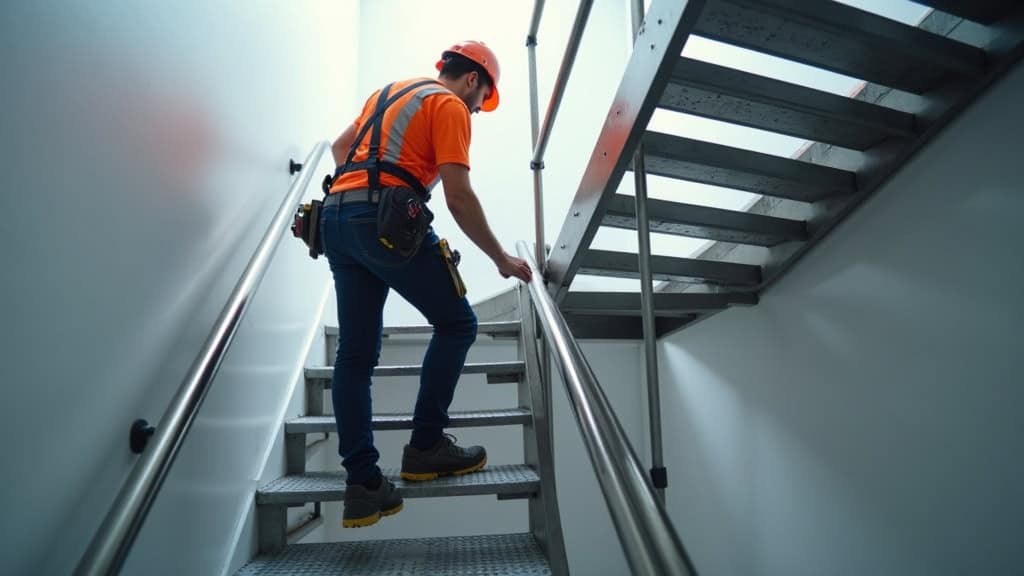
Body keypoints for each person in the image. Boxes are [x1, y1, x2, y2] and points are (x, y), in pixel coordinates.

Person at [320, 40, 532, 529]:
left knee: (354, 356)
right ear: (473, 80)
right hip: (384, 217)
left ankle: (364, 485)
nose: (476, 112)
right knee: (458, 324)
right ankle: (425, 446)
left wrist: (363, 195)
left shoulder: (389, 93)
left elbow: (337, 150)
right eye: (482, 103)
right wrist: (499, 257)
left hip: (335, 219)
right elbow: (458, 195)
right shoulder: (449, 104)